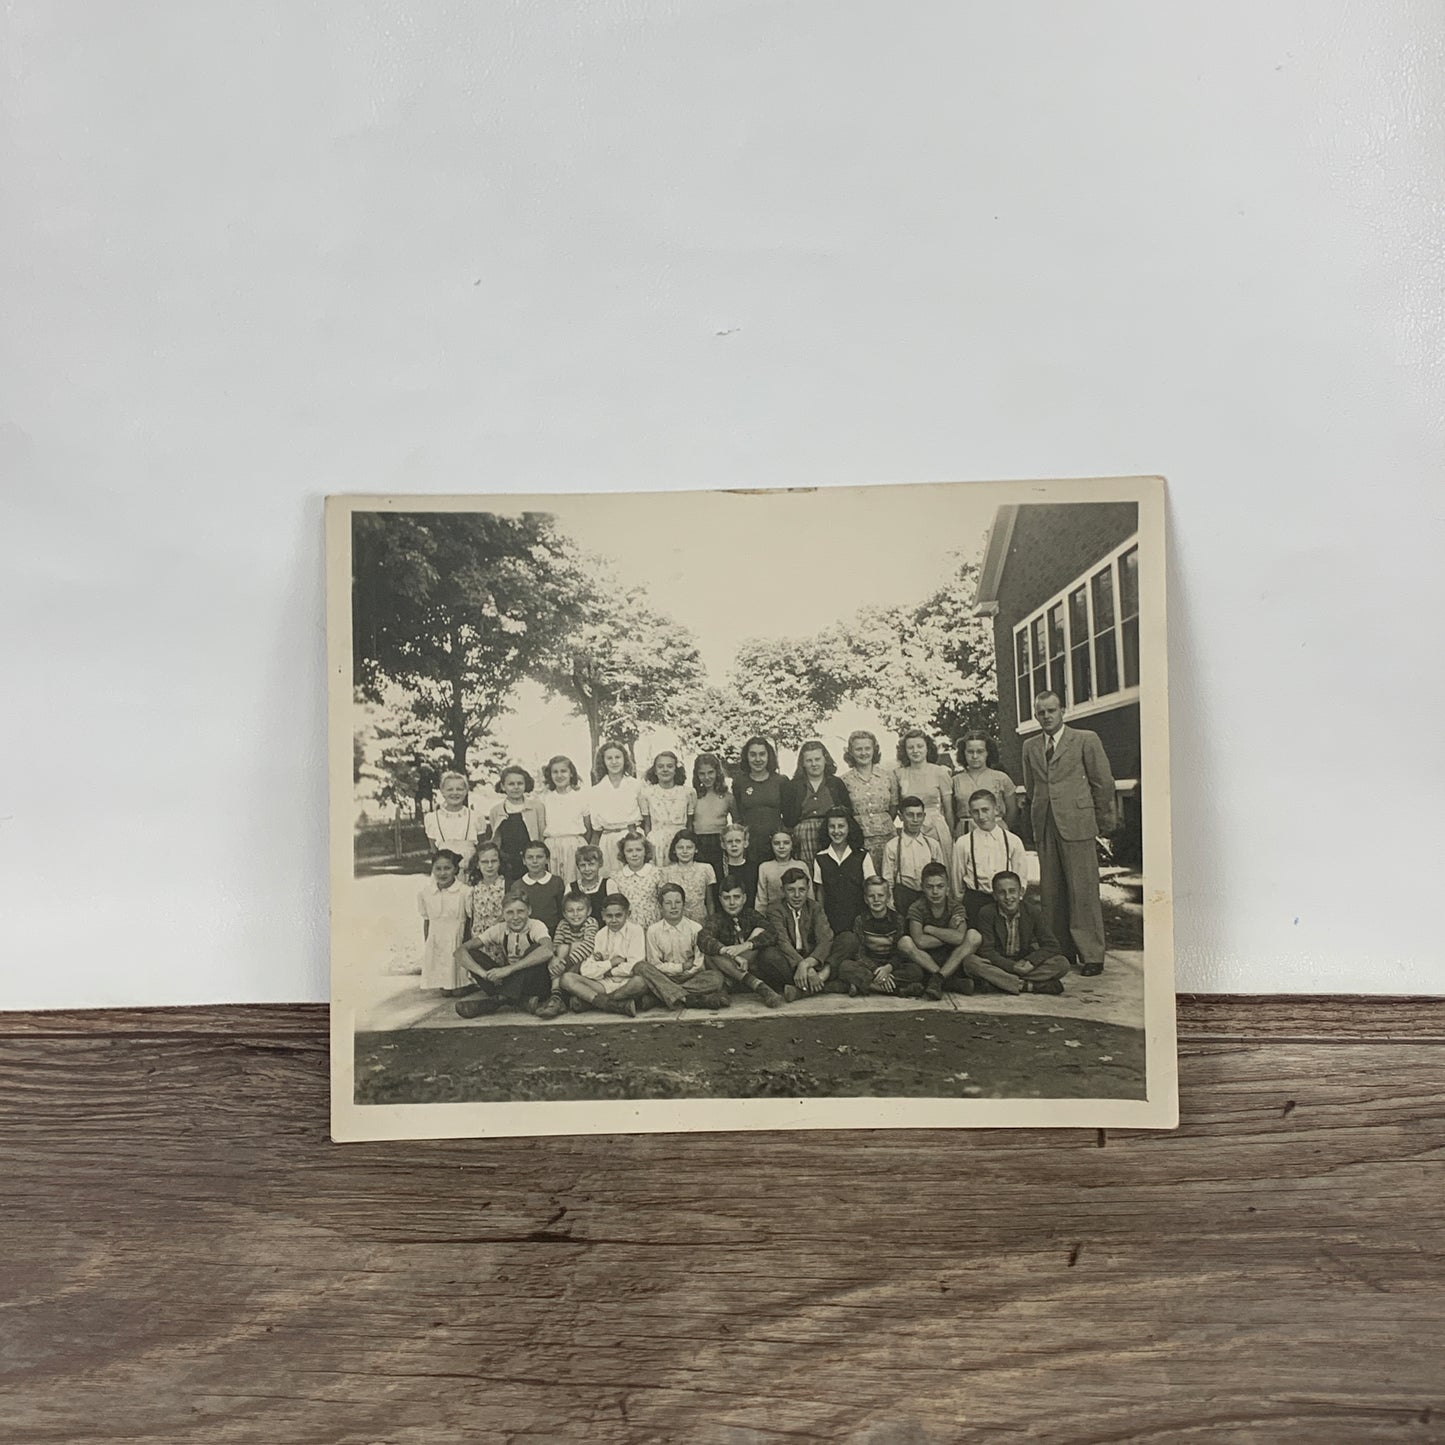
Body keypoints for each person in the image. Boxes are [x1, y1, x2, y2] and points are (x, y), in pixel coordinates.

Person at [1021, 690, 1117, 975]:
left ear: (1062, 711)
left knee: (1082, 889)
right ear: (1036, 715)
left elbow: (1103, 782)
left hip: (1077, 821)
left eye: (1052, 710)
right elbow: (1031, 786)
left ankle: (1091, 954)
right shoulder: (1030, 747)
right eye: (1041, 712)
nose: (1047, 716)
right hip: (1045, 821)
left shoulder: (1085, 740)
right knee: (1051, 891)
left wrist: (1099, 818)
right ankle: (1061, 949)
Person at [758, 868, 857, 996]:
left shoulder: (815, 908)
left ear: (808, 889)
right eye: (791, 890)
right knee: (768, 955)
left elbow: (825, 939)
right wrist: (802, 965)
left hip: (815, 959)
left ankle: (809, 986)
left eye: (802, 890)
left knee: (848, 939)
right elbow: (783, 943)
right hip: (791, 962)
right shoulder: (775, 910)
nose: (797, 895)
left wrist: (807, 964)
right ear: (783, 890)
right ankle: (827, 985)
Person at [454, 895, 555, 1017]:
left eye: (521, 911)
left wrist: (508, 969)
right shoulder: (499, 929)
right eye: (510, 913)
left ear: (529, 911)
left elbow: (547, 950)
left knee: (536, 949)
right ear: (503, 914)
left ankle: (495, 1002)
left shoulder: (536, 925)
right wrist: (484, 974)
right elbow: (459, 951)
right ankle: (521, 1001)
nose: (516, 917)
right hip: (508, 982)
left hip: (535, 983)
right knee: (471, 953)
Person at [974, 871, 1071, 995]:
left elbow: (1052, 945)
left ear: (1021, 892)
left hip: (1023, 961)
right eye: (1002, 893)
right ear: (994, 896)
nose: (1008, 897)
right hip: (999, 963)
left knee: (1062, 963)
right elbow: (986, 951)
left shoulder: (1032, 912)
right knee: (971, 963)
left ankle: (1000, 982)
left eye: (1012, 891)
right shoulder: (987, 913)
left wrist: (1031, 961)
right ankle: (1028, 986)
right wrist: (1011, 967)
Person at [637, 884, 731, 1010]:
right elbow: (655, 964)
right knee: (641, 967)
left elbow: (698, 964)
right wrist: (681, 967)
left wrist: (686, 971)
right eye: (668, 903)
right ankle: (689, 999)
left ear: (683, 904)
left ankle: (661, 997)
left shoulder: (695, 928)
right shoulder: (653, 930)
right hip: (664, 976)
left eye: (678, 902)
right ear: (661, 906)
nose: (674, 907)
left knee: (716, 978)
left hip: (691, 977)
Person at [901, 863, 983, 1000]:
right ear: (922, 888)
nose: (935, 892)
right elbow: (920, 941)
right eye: (929, 887)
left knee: (974, 936)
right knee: (904, 943)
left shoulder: (956, 907)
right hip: (926, 960)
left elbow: (959, 938)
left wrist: (930, 929)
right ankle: (946, 981)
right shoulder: (916, 907)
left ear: (947, 888)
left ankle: (938, 979)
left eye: (940, 886)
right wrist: (949, 933)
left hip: (952, 958)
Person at [698, 880, 786, 1006]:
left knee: (760, 931)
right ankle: (759, 986)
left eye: (736, 897)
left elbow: (772, 933)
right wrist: (731, 954)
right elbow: (703, 938)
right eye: (726, 898)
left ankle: (725, 989)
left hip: (747, 967)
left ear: (744, 898)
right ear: (720, 899)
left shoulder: (751, 915)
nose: (732, 902)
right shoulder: (717, 919)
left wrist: (744, 946)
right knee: (710, 951)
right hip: (728, 972)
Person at [558, 894, 648, 1017]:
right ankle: (613, 1004)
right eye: (609, 916)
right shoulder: (600, 935)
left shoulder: (636, 931)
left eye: (619, 915)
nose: (614, 920)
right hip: (603, 984)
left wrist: (608, 971)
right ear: (603, 915)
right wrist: (610, 963)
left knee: (641, 982)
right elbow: (587, 971)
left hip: (627, 983)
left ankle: (598, 1001)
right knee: (566, 979)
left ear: (628, 914)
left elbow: (634, 966)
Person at [839, 876, 927, 998]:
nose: (876, 900)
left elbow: (900, 952)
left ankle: (866, 986)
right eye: (871, 896)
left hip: (890, 965)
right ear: (865, 899)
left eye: (881, 895)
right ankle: (893, 989)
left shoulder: (898, 920)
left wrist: (888, 969)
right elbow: (859, 953)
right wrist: (877, 971)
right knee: (845, 966)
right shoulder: (860, 920)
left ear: (888, 898)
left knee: (916, 971)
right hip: (869, 965)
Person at [950, 790, 1030, 923]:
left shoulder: (1012, 840)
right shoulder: (963, 843)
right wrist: (960, 903)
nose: (981, 816)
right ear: (970, 813)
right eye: (975, 811)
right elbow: (957, 878)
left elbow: (1020, 875)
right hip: (975, 900)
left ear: (996, 810)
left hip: (1005, 900)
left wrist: (1014, 902)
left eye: (985, 810)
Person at [782, 740, 856, 869]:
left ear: (825, 760)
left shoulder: (835, 783)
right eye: (809, 761)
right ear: (803, 763)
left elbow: (847, 812)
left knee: (831, 869)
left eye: (817, 759)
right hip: (804, 838)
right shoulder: (793, 786)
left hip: (832, 833)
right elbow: (788, 818)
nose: (814, 764)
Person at [534, 888, 600, 1019]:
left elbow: (588, 946)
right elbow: (556, 945)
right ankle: (556, 995)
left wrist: (565, 962)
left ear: (589, 911)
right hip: (565, 966)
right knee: (561, 948)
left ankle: (560, 995)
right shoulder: (563, 924)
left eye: (580, 909)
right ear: (564, 914)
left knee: (575, 945)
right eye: (570, 911)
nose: (575, 914)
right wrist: (556, 961)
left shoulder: (591, 922)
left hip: (584, 966)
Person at [811, 807, 877, 935]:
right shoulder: (820, 857)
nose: (836, 831)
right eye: (832, 827)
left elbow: (871, 888)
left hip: (859, 918)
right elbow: (820, 892)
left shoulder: (862, 855)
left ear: (849, 828)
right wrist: (822, 921)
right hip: (832, 920)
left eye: (841, 826)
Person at [838, 729, 896, 872]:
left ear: (874, 750)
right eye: (858, 749)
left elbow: (893, 807)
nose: (863, 753)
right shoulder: (844, 781)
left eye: (867, 748)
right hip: (859, 840)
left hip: (887, 838)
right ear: (851, 752)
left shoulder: (887, 776)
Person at [587, 741, 647, 878]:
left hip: (632, 837)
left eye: (618, 757)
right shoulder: (595, 791)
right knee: (611, 880)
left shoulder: (636, 785)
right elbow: (596, 828)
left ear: (625, 759)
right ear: (603, 761)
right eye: (609, 758)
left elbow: (645, 816)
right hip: (607, 840)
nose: (614, 762)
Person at [881, 796, 947, 918]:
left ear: (924, 816)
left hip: (929, 899)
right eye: (910, 815)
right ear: (901, 817)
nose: (915, 820)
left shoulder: (932, 844)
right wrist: (891, 904)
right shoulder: (892, 846)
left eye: (919, 815)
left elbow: (941, 876)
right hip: (904, 898)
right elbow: (888, 879)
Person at [892, 728, 954, 858]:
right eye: (910, 747)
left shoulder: (940, 772)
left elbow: (949, 810)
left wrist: (951, 834)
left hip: (936, 828)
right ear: (905, 751)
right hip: (911, 827)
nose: (915, 751)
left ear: (928, 748)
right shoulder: (899, 774)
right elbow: (897, 805)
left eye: (920, 746)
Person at [416, 849, 469, 992]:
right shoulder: (426, 893)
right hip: (436, 938)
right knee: (445, 991)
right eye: (438, 869)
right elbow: (427, 920)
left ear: (456, 869)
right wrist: (427, 941)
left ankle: (466, 983)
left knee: (458, 990)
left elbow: (470, 921)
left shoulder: (464, 892)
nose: (442, 873)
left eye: (447, 868)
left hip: (456, 938)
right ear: (432, 870)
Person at [951, 730, 1019, 834]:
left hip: (996, 829)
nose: (974, 756)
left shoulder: (1001, 778)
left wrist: (1001, 829)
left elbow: (1012, 810)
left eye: (980, 751)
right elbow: (951, 811)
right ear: (963, 753)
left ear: (988, 752)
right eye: (970, 752)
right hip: (966, 830)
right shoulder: (955, 780)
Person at [731, 736, 786, 863]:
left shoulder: (780, 781)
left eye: (762, 754)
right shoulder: (739, 782)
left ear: (769, 756)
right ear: (747, 757)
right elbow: (738, 814)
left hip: (776, 843)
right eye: (753, 755)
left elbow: (788, 815)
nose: (758, 759)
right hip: (751, 845)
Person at [538, 754, 590, 886]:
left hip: (575, 845)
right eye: (555, 772)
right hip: (552, 846)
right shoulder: (545, 798)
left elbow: (588, 827)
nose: (559, 775)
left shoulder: (581, 796)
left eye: (563, 771)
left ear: (571, 773)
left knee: (575, 883)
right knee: (555, 884)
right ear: (550, 775)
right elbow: (542, 826)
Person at [488, 766, 544, 885]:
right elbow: (496, 838)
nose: (516, 787)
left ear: (525, 785)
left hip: (531, 861)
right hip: (507, 863)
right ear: (503, 786)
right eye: (511, 784)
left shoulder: (536, 807)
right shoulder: (496, 810)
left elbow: (541, 833)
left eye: (520, 783)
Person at [641, 750, 695, 863]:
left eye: (670, 766)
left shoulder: (688, 793)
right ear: (655, 770)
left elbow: (690, 823)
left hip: (680, 841)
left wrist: (688, 842)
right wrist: (651, 844)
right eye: (660, 766)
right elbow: (647, 824)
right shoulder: (646, 793)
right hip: (656, 842)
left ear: (676, 770)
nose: (665, 769)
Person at [424, 771, 483, 872]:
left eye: (459, 789)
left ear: (466, 791)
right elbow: (434, 850)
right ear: (442, 791)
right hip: (444, 871)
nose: (455, 793)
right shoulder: (432, 818)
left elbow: (482, 848)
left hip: (470, 870)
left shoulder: (475, 817)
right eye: (450, 789)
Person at [507, 840, 566, 934]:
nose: (534, 861)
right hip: (527, 933)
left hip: (553, 932)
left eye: (539, 857)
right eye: (530, 857)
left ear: (547, 859)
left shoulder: (556, 882)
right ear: (524, 861)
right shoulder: (517, 885)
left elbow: (562, 911)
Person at [610, 830, 664, 931]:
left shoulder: (657, 873)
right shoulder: (616, 876)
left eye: (638, 850)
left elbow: (663, 902)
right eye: (629, 851)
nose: (634, 854)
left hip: (652, 926)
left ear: (646, 851)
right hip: (627, 928)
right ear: (623, 853)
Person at [690, 753, 734, 877]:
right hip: (698, 843)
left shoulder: (727, 797)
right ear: (697, 775)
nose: (707, 777)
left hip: (719, 844)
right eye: (702, 774)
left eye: (710, 772)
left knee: (720, 877)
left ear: (717, 773)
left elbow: (738, 822)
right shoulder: (693, 796)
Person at [660, 829, 716, 924]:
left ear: (696, 849)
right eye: (680, 847)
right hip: (676, 921)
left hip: (700, 920)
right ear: (674, 850)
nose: (684, 851)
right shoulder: (666, 872)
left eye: (689, 847)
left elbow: (710, 901)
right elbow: (663, 903)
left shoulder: (706, 868)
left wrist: (712, 924)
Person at [756, 828, 811, 914]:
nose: (781, 847)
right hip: (774, 915)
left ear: (792, 845)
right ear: (771, 845)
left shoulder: (801, 865)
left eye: (786, 843)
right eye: (777, 843)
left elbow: (809, 896)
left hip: (800, 915)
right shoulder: (764, 867)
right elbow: (761, 900)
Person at [463, 840, 508, 939]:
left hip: (501, 939)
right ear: (477, 864)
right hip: (477, 942)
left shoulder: (508, 886)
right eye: (484, 862)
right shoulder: (472, 889)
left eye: (494, 861)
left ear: (500, 862)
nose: (490, 866)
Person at [716, 823, 759, 910]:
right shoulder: (717, 869)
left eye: (738, 841)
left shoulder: (754, 868)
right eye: (729, 841)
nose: (734, 845)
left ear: (746, 843)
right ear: (723, 845)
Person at [572, 844, 618, 926]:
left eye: (591, 864)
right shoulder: (571, 887)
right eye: (583, 865)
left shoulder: (608, 884)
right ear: (578, 867)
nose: (587, 869)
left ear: (600, 864)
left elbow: (616, 910)